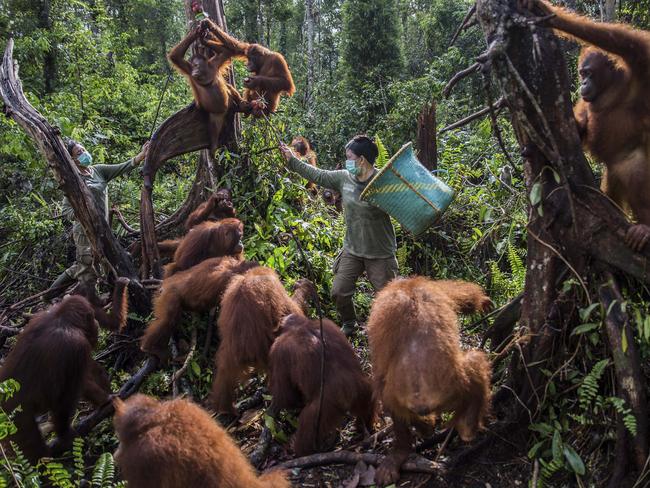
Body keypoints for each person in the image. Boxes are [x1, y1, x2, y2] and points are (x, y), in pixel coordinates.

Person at [279, 135, 398, 337]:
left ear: (362, 160)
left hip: (380, 253)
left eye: (350, 157)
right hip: (353, 249)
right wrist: (292, 159)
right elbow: (317, 175)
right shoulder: (343, 178)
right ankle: (350, 324)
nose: (347, 161)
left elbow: (403, 205)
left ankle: (390, 335)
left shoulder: (383, 182)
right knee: (339, 291)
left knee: (387, 299)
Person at [44, 139, 149, 299]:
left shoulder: (98, 170)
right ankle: (66, 298)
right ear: (72, 159)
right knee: (86, 266)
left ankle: (112, 294)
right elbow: (66, 210)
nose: (84, 154)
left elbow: (124, 166)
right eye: (79, 153)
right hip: (84, 232)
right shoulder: (73, 179)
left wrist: (141, 155)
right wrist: (82, 213)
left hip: (103, 230)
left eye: (83, 150)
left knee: (107, 260)